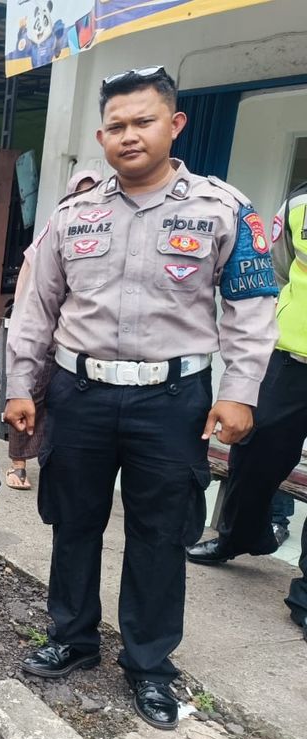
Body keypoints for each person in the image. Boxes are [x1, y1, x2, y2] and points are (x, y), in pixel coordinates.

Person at [4, 65, 279, 730]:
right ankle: (72, 637)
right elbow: (36, 307)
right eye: (117, 126)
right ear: (102, 136)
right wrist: (20, 386)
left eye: (143, 122)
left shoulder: (222, 209)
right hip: (79, 393)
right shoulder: (72, 214)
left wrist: (240, 392)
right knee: (74, 521)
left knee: (160, 532)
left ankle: (149, 664)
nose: (129, 136)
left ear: (174, 125)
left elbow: (251, 308)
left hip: (172, 399)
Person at [185, 181, 307, 639]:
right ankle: (239, 537)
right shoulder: (299, 202)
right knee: (253, 451)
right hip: (291, 355)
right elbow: (278, 268)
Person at [6, 169, 101, 490]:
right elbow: (29, 280)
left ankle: (55, 463)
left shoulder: (107, 233)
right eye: (79, 193)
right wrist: (22, 319)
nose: (85, 200)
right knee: (30, 393)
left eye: (91, 192)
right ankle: (18, 463)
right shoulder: (55, 230)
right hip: (44, 336)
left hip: (77, 342)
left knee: (64, 405)